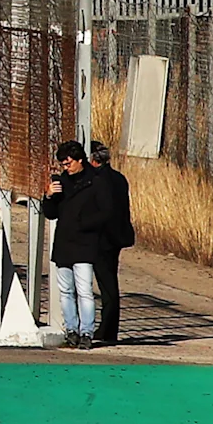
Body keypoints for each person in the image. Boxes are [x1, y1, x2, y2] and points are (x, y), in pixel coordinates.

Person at [45, 142, 126, 348]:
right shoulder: (62, 182)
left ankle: (86, 332)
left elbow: (106, 211)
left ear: (80, 160)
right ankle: (71, 329)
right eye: (63, 164)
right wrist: (48, 196)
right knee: (66, 291)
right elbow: (51, 213)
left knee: (84, 290)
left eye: (68, 163)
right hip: (64, 242)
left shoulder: (96, 182)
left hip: (85, 243)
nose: (66, 167)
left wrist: (84, 224)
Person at [81, 142, 137, 345]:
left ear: (92, 160)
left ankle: (106, 328)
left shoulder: (96, 180)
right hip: (117, 237)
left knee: (105, 284)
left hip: (102, 237)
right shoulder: (119, 178)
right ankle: (108, 328)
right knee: (109, 281)